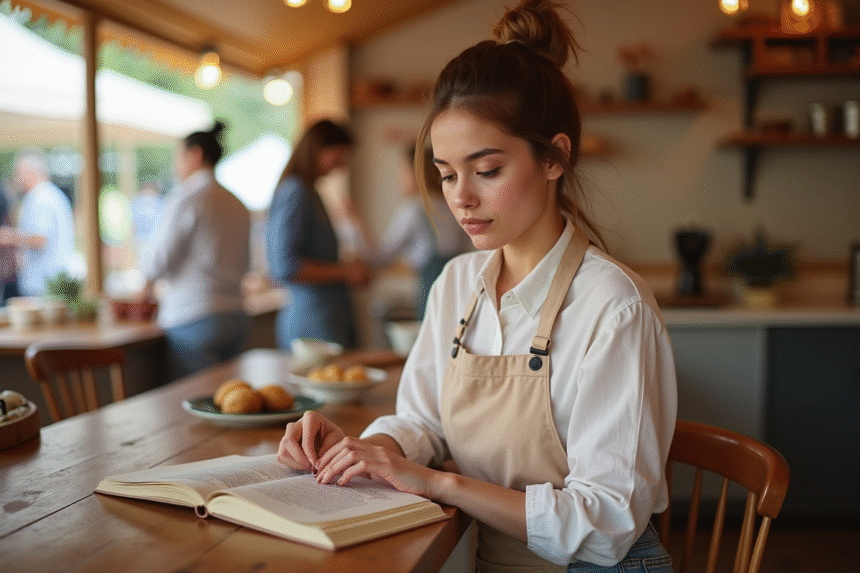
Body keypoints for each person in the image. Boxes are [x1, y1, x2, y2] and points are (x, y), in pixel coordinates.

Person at [275, 2, 678, 572]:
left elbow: (605, 525)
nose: (460, 197)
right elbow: (422, 422)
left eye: (487, 170)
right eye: (445, 174)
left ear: (554, 158)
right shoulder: (457, 283)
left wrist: (439, 483)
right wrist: (362, 448)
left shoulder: (613, 306)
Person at [142, 121, 251, 378]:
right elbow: (247, 262)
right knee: (231, 402)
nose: (175, 166)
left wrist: (144, 287)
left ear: (195, 155)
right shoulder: (237, 203)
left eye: (177, 157)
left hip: (194, 317)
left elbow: (158, 261)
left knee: (196, 407)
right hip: (236, 315)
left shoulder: (187, 198)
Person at [265, 119, 372, 350]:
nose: (342, 166)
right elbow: (286, 266)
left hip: (324, 317)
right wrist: (345, 271)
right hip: (312, 322)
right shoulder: (296, 191)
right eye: (339, 155)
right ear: (317, 149)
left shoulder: (309, 191)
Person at [374, 142, 471, 317]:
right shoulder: (454, 206)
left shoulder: (414, 207)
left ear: (417, 173)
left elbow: (383, 256)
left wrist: (351, 222)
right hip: (462, 291)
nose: (399, 178)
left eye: (403, 171)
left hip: (431, 292)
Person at [0, 149, 74, 298]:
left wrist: (9, 236)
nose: (16, 178)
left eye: (18, 173)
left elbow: (40, 240)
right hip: (47, 284)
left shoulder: (42, 199)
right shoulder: (48, 195)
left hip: (44, 286)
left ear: (31, 172)